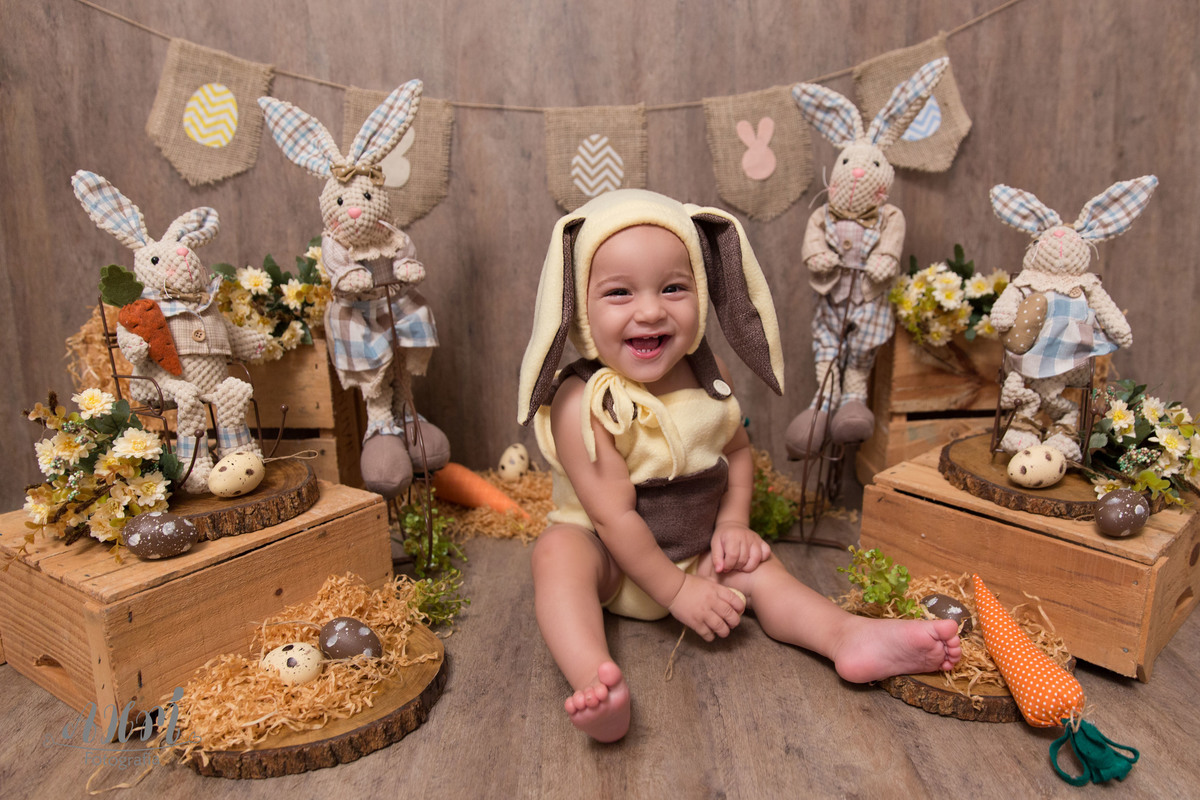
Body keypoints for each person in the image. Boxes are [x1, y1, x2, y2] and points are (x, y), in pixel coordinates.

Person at [517, 189, 960, 743]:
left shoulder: (709, 372)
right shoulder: (580, 401)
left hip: (697, 552)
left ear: (703, 291)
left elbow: (738, 451)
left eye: (673, 288)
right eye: (619, 292)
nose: (650, 310)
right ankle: (594, 679)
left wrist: (732, 526)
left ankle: (846, 636)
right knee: (558, 555)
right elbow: (613, 517)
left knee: (762, 569)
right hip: (611, 561)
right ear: (579, 308)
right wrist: (677, 595)